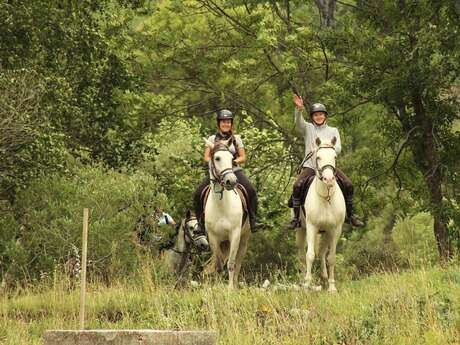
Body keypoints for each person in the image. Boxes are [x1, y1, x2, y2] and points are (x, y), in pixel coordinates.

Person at [289, 95, 364, 228]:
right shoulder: (308, 128)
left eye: (321, 114)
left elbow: (338, 148)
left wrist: (325, 149)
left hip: (328, 167)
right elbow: (298, 124)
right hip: (311, 167)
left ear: (325, 116)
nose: (319, 117)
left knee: (348, 184)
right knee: (297, 186)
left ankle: (350, 215)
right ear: (312, 117)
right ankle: (296, 218)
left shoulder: (333, 130)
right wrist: (299, 109)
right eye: (316, 115)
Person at [193, 109, 259, 233]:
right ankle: (200, 224)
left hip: (233, 170)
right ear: (219, 124)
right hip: (217, 172)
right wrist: (216, 164)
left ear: (231, 124)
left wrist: (233, 162)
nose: (226, 124)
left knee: (251, 190)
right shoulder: (212, 139)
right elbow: (206, 157)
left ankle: (253, 220)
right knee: (198, 194)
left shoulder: (236, 139)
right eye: (223, 122)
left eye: (228, 122)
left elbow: (243, 157)